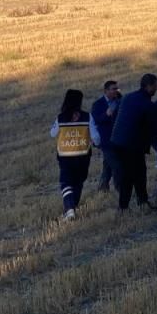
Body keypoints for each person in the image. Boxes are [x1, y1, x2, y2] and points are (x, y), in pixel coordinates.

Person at [109, 74, 157, 211]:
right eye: (155, 85)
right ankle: (125, 206)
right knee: (132, 176)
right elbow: (153, 128)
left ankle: (140, 202)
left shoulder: (127, 97)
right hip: (131, 145)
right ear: (149, 86)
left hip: (118, 141)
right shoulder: (147, 104)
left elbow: (115, 115)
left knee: (136, 173)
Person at [49, 89, 92, 221]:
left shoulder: (61, 118)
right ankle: (71, 209)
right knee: (78, 183)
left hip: (65, 156)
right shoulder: (87, 116)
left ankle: (69, 209)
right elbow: (96, 136)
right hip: (83, 156)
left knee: (66, 183)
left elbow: (52, 133)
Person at [90, 80, 122, 191]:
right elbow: (95, 120)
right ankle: (120, 190)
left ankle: (103, 186)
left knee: (108, 164)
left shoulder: (120, 101)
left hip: (119, 139)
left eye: (117, 89)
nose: (116, 91)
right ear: (106, 91)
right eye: (113, 89)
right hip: (106, 141)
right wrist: (106, 114)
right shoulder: (98, 104)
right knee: (117, 166)